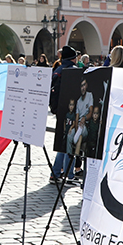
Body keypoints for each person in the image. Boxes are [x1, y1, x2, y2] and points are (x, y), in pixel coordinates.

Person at [49, 45, 77, 183]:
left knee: (63, 143)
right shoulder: (74, 71)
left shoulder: (58, 70)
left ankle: (55, 173)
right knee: (70, 143)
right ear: (73, 58)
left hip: (60, 111)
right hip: (71, 112)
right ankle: (69, 175)